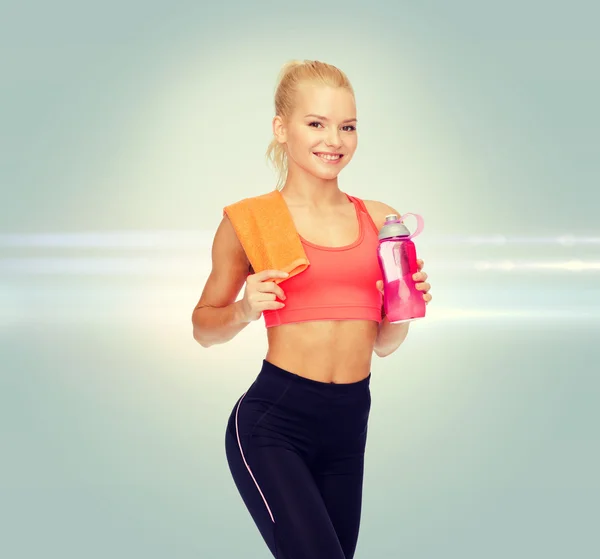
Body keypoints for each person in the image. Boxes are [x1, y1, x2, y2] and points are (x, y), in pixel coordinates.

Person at [191, 60, 432, 559]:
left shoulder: (382, 220)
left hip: (348, 425)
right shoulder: (253, 221)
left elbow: (384, 345)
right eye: (316, 124)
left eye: (347, 126)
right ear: (282, 129)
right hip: (274, 423)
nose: (334, 140)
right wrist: (244, 308)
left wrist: (404, 307)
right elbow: (203, 329)